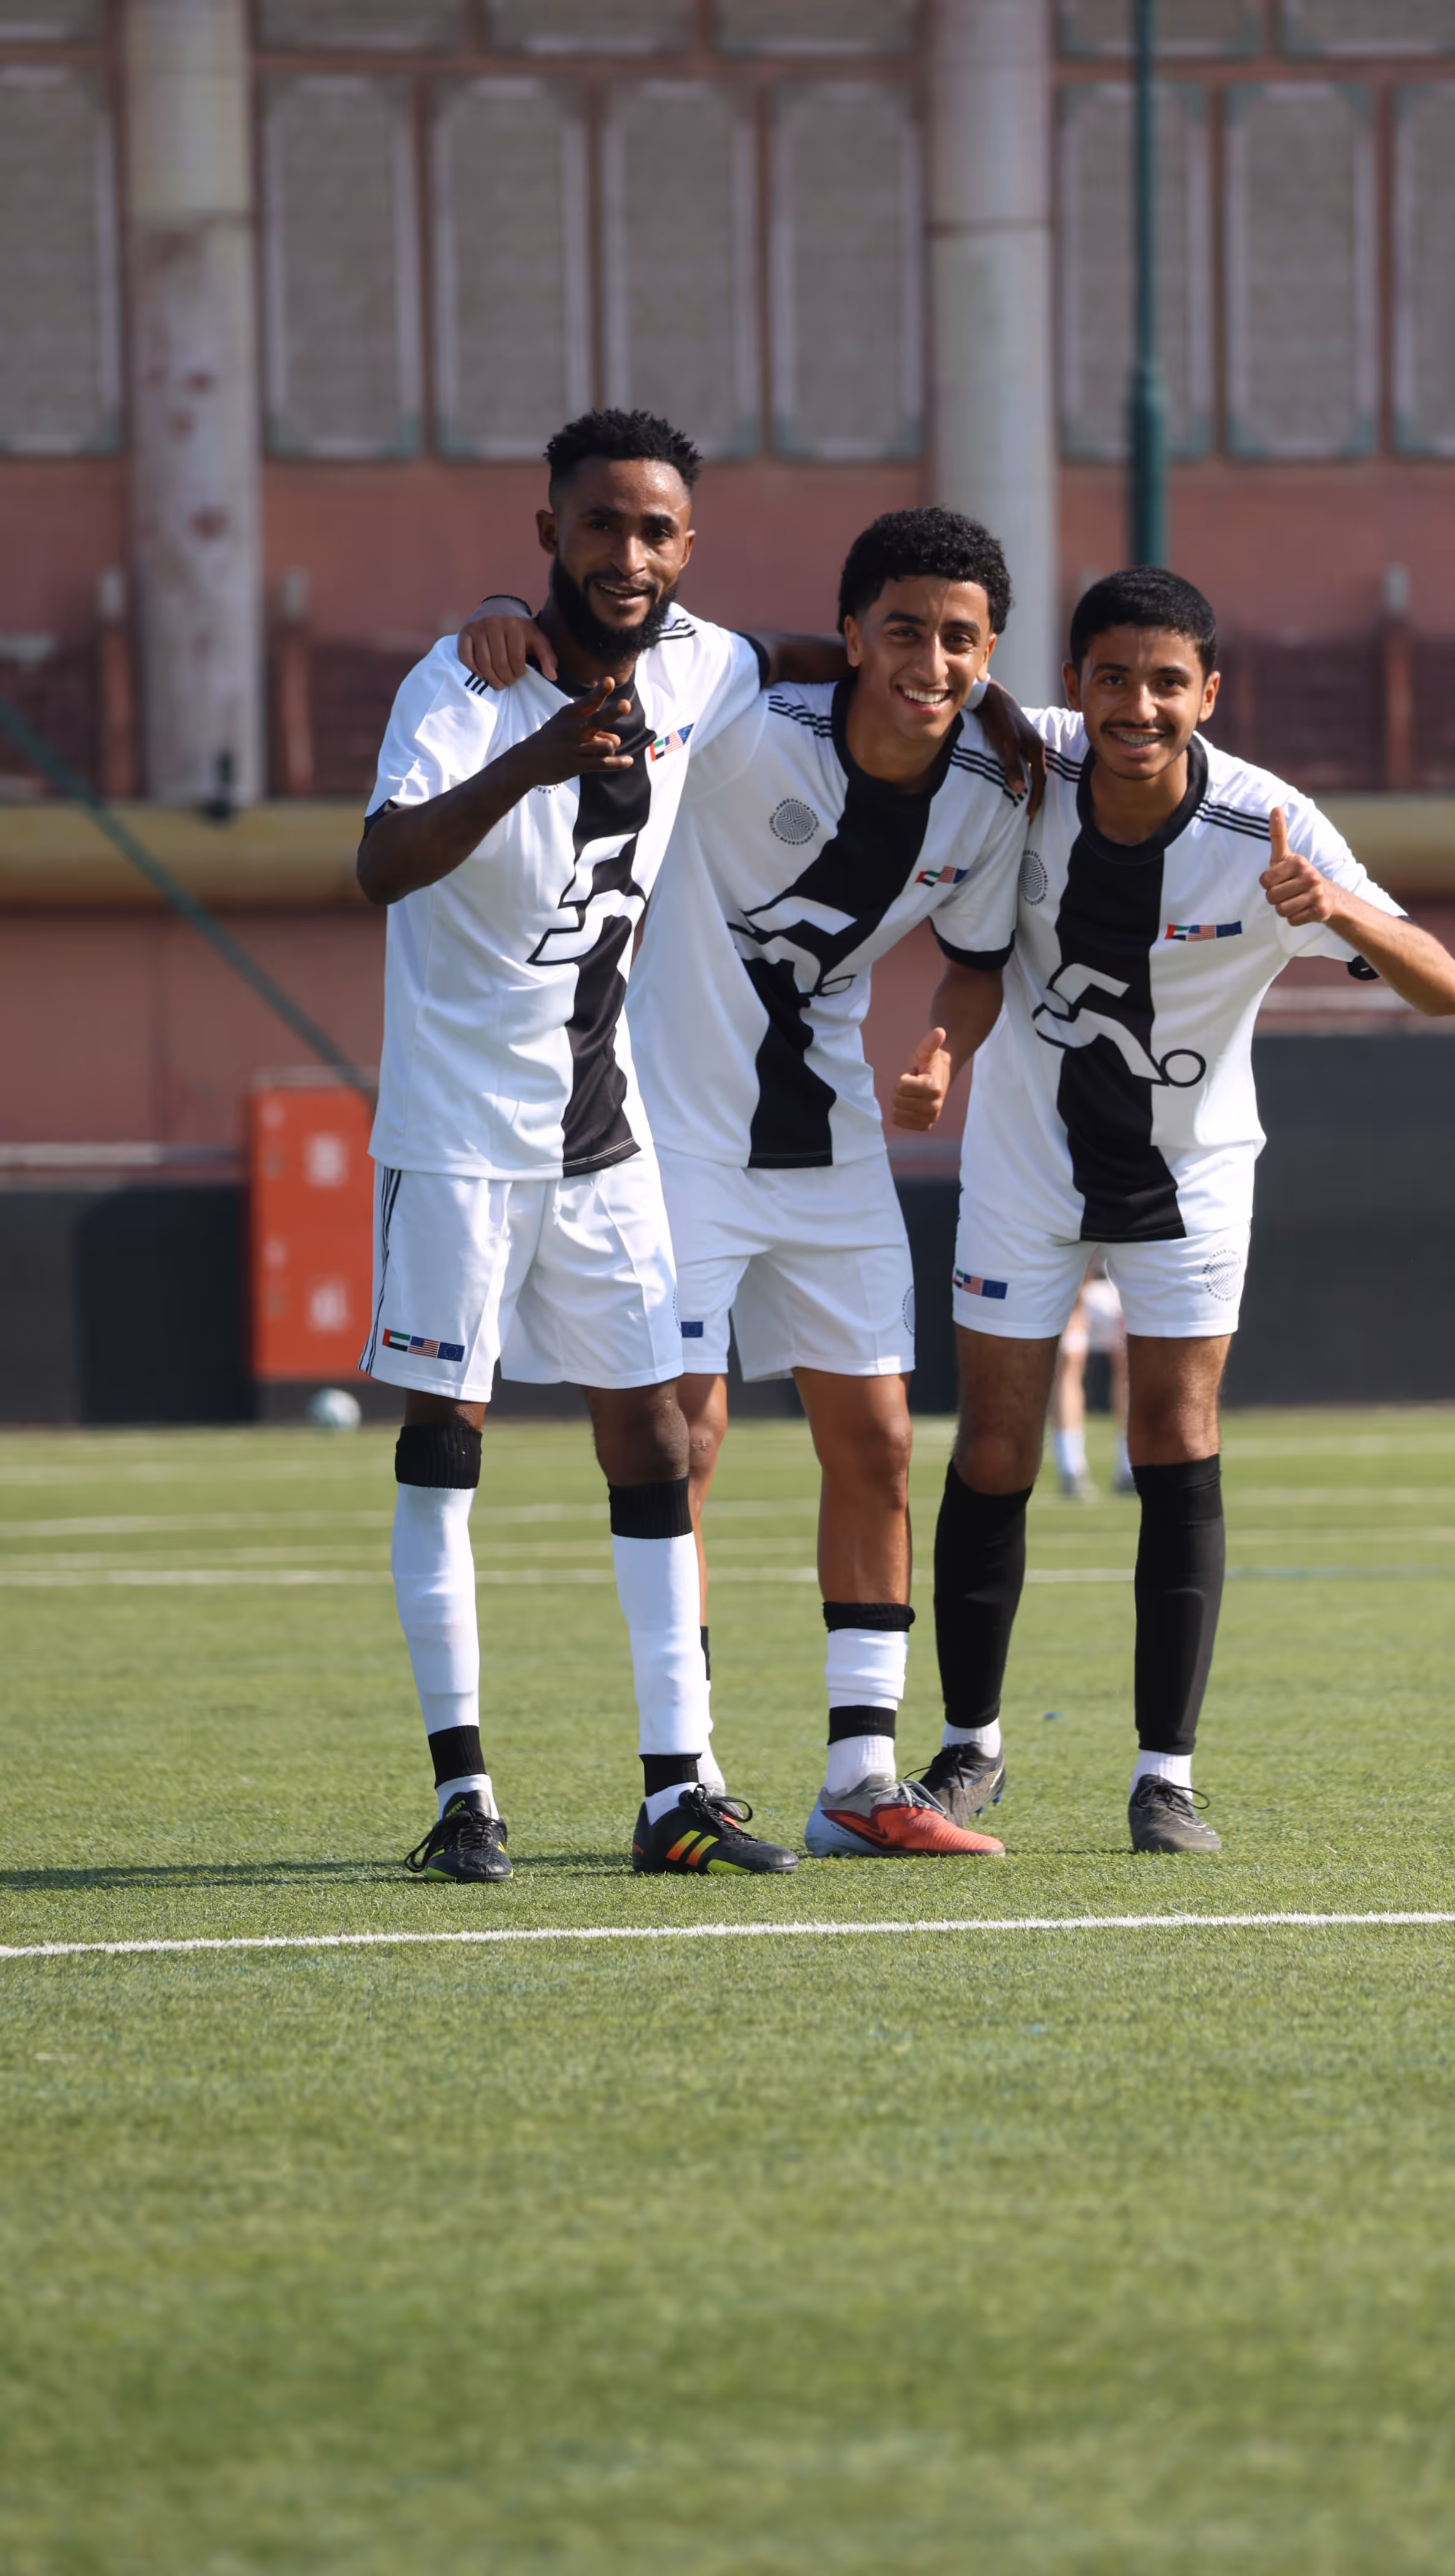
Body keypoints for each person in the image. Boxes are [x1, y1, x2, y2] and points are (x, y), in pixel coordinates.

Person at [460, 508, 1034, 1860]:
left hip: (829, 1143)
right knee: (692, 1442)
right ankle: (688, 1773)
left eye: (961, 641)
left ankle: (860, 1775)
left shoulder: (990, 793)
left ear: (990, 652)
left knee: (881, 1443)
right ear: (850, 637)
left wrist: (941, 1047)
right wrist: (506, 611)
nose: (930, 663)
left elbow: (974, 952)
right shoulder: (747, 727)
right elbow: (626, 651)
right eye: (902, 631)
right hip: (673, 1144)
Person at [357, 405, 868, 1885]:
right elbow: (380, 862)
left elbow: (805, 658)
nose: (627, 554)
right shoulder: (465, 681)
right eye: (600, 525)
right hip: (457, 1138)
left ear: (686, 546)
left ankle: (673, 1797)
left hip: (604, 1135)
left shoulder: (703, 662)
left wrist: (994, 709)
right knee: (445, 1448)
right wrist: (535, 759)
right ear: (549, 535)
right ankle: (466, 1795)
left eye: (655, 530)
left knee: (654, 1436)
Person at [896, 566, 1455, 1852]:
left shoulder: (1273, 825)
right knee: (992, 1450)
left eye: (1166, 683)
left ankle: (1163, 1776)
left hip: (1191, 1176)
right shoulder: (1022, 765)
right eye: (1112, 678)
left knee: (1174, 1437)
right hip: (1027, 1166)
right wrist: (941, 1051)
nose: (1137, 706)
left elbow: (1445, 987)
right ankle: (968, 1748)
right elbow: (906, 673)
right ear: (1072, 688)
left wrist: (1338, 916)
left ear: (1207, 694)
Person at [1051, 1261, 1132, 1500]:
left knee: (1130, 1368)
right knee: (1069, 1363)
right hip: (1075, 1285)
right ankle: (1071, 1467)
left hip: (1120, 1287)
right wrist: (1075, 1293)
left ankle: (1129, 1466)